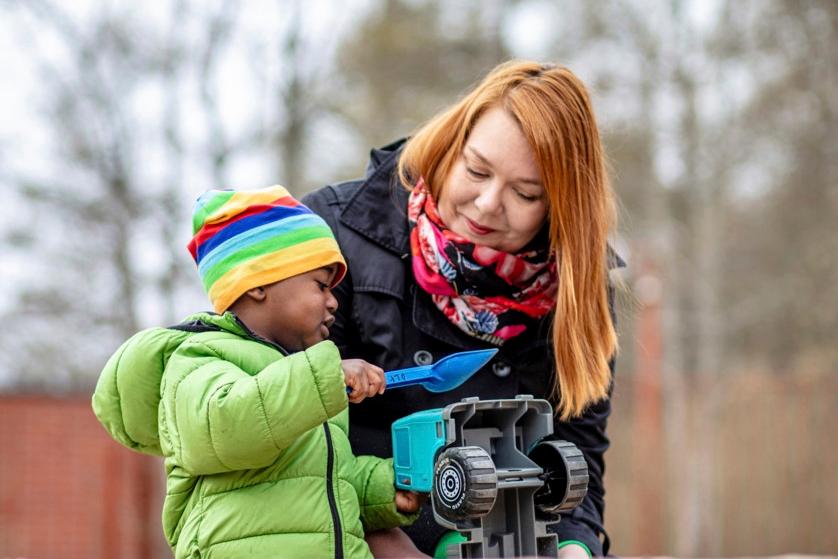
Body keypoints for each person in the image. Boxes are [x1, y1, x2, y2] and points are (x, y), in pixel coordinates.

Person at [303, 60, 622, 558]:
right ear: (452, 146)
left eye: (526, 193)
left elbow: (577, 462)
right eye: (476, 170)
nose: (489, 202)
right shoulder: (332, 238)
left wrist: (576, 547)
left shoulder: (579, 289)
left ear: (560, 208)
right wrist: (386, 543)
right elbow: (287, 449)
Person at [92, 185, 421, 559]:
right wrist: (324, 376)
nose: (333, 302)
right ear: (259, 283)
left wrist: (385, 488)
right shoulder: (200, 357)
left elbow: (321, 481)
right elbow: (226, 426)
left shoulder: (297, 378)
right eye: (321, 285)